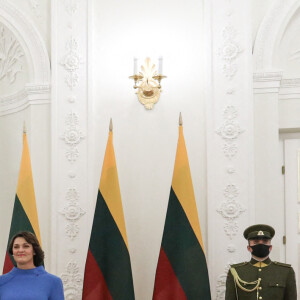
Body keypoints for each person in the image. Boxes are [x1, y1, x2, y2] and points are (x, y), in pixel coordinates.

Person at [225, 224, 297, 300]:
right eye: (256, 242)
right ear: (249, 248)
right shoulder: (235, 271)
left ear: (270, 247)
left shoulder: (286, 271)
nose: (261, 244)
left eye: (265, 241)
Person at [0, 231, 64, 300]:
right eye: (16, 247)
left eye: (26, 246)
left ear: (34, 251)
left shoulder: (54, 282)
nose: (20, 250)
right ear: (12, 252)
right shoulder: (2, 281)